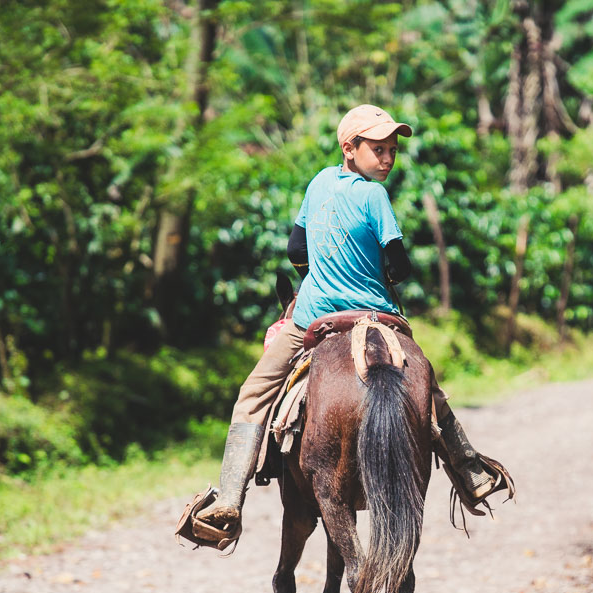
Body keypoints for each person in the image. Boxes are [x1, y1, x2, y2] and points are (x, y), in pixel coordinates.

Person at [194, 104, 511, 545]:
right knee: (430, 392)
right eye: (377, 149)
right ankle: (470, 469)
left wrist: (322, 270)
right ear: (350, 147)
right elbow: (398, 266)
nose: (386, 159)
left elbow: (294, 250)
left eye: (392, 150)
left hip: (312, 317)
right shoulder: (375, 197)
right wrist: (378, 273)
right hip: (378, 316)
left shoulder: (318, 183)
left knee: (253, 395)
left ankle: (229, 498)